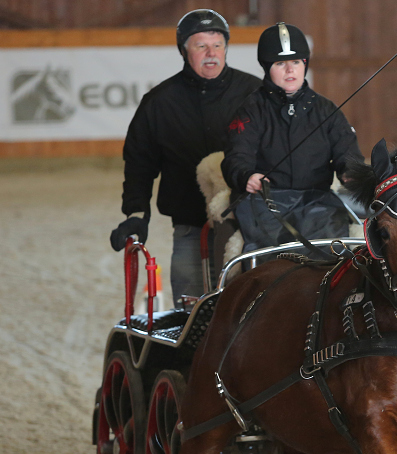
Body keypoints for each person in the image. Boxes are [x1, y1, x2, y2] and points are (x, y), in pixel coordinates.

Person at [110, 9, 262, 307]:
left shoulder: (254, 93)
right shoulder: (158, 103)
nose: (211, 53)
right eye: (200, 45)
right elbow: (139, 164)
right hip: (190, 227)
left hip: (248, 228)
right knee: (188, 315)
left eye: (218, 45)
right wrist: (136, 214)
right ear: (184, 50)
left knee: (248, 312)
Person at [221, 22, 364, 255]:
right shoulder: (250, 110)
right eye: (280, 64)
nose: (290, 70)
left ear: (304, 64)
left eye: (296, 62)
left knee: (331, 252)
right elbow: (237, 156)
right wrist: (246, 175)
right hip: (266, 201)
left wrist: (351, 173)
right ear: (267, 68)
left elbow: (347, 154)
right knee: (272, 255)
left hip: (316, 200)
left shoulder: (326, 110)